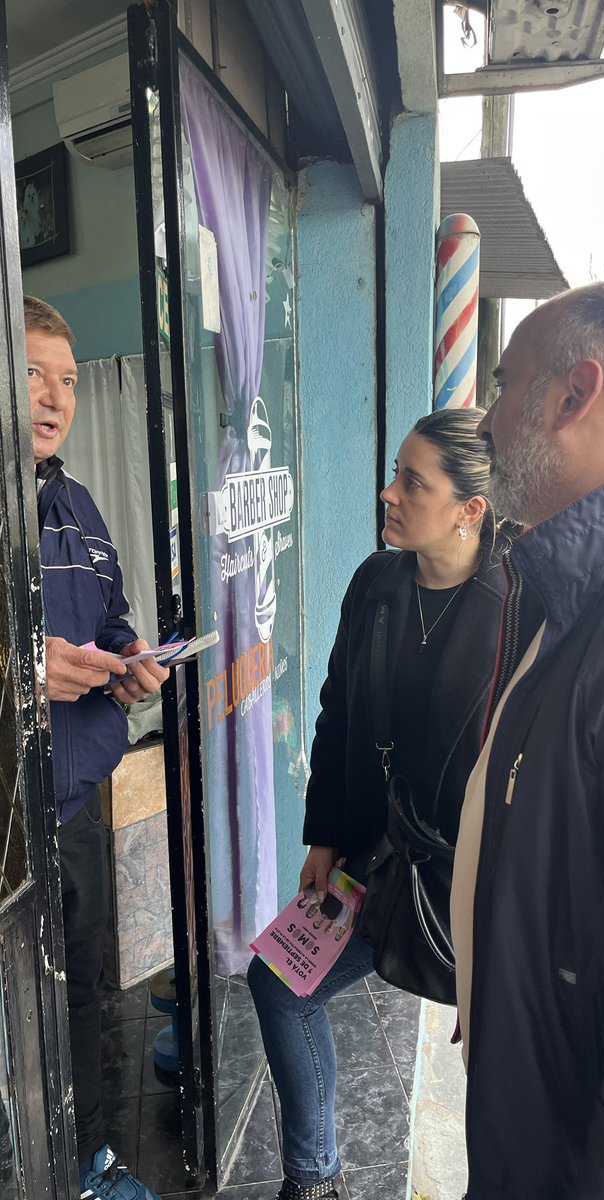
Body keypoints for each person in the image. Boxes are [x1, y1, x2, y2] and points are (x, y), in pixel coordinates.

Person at [450, 280, 604, 1200]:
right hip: (531, 1107)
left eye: (502, 385)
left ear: (574, 394)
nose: (484, 419)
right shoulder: (583, 574)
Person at [248, 408, 505, 1200]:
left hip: (474, 881)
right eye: (395, 472)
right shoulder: (376, 583)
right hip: (375, 852)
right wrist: (324, 835)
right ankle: (314, 1178)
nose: (387, 493)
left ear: (469, 510)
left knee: (495, 1058)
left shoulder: (518, 604)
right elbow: (336, 714)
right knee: (280, 982)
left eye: (411, 482)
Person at [24, 295, 169, 1200]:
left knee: (83, 999)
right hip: (8, 835)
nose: (55, 397)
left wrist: (129, 661)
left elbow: (111, 616)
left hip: (74, 803)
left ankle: (81, 1161)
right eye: (32, 374)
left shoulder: (76, 506)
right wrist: (20, 669)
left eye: (69, 381)